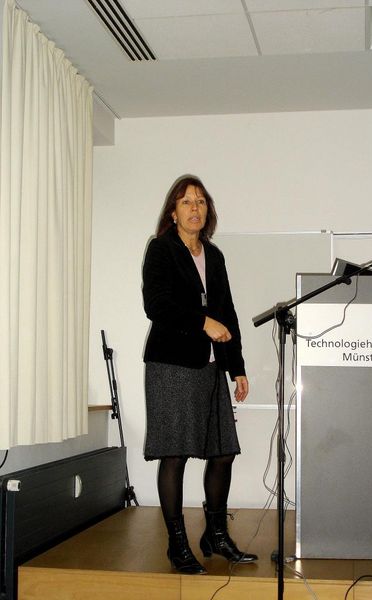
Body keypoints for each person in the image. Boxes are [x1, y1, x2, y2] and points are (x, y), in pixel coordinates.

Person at [142, 175, 258, 574]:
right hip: (172, 366)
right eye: (186, 202)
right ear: (173, 213)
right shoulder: (162, 249)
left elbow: (228, 313)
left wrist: (237, 367)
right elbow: (157, 305)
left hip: (210, 367)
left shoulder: (215, 255)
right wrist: (201, 322)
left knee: (223, 451)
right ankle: (177, 545)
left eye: (201, 201)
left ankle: (216, 535)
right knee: (175, 454)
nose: (195, 208)